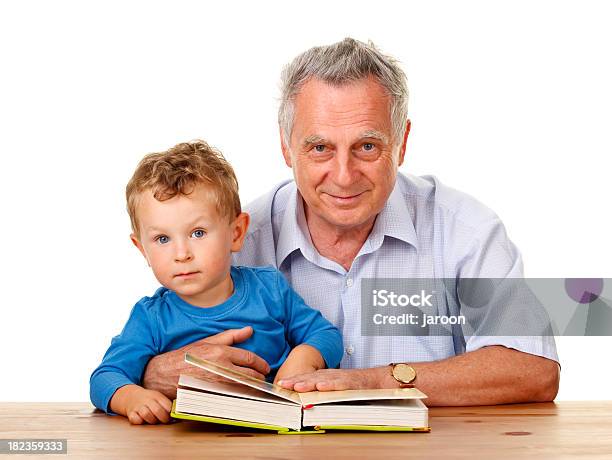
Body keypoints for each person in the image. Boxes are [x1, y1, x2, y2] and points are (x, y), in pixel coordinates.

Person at [142, 38, 560, 406]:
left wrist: (375, 380)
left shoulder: (466, 231)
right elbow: (151, 341)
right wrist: (151, 375)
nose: (343, 175)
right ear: (287, 147)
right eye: (320, 147)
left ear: (401, 143)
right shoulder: (234, 238)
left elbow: (534, 369)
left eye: (366, 146)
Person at [90, 140, 343, 424]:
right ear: (142, 249)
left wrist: (305, 356)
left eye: (198, 233)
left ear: (236, 233)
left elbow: (327, 336)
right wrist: (131, 397)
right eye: (162, 239)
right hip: (189, 444)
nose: (182, 254)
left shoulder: (269, 289)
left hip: (276, 433)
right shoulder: (151, 318)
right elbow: (104, 378)